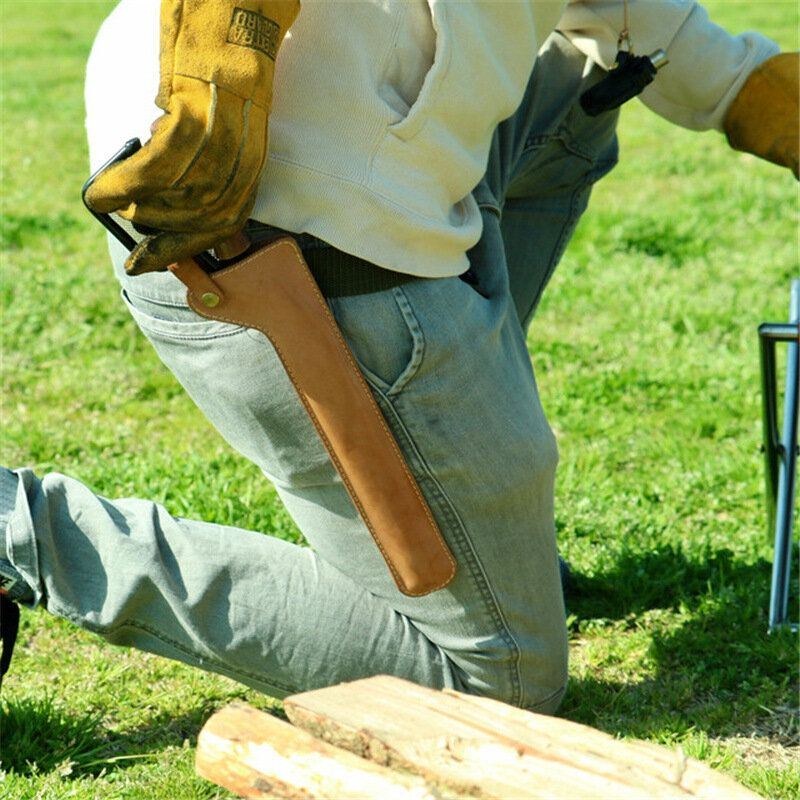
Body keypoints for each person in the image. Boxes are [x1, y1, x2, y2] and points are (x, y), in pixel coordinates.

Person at [1, 0, 796, 710]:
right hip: (254, 228)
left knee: (584, 88)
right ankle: (20, 530)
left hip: (325, 166)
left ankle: (459, 434)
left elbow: (652, 33)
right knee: (502, 679)